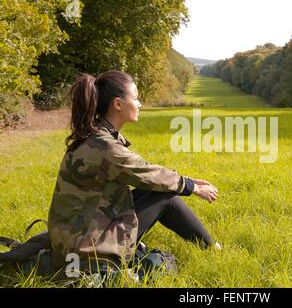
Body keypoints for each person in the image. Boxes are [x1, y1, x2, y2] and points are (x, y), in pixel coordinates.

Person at [47, 70, 221, 271]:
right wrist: (192, 187)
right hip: (87, 251)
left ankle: (211, 248)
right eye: (136, 98)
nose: (140, 104)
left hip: (73, 241)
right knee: (165, 197)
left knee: (158, 190)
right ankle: (214, 250)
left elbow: (147, 175)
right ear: (118, 104)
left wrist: (188, 181)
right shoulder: (105, 147)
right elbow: (147, 173)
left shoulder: (95, 137)